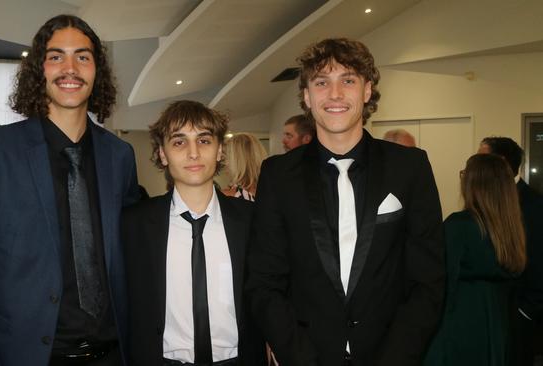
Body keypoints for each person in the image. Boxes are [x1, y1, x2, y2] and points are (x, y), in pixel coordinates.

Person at [0, 14, 139, 366]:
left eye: (83, 56)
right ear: (39, 71)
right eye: (56, 56)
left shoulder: (120, 156)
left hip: (114, 355)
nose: (70, 68)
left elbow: (133, 250)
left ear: (97, 71)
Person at [247, 38, 445, 366]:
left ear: (367, 91)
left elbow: (429, 282)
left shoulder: (410, 167)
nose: (335, 94)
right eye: (322, 82)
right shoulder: (278, 175)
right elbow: (264, 281)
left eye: (348, 80)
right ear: (307, 96)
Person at [123, 100, 265, 366]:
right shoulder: (134, 225)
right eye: (179, 142)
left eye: (203, 141)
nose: (193, 153)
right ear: (163, 154)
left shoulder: (252, 220)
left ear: (220, 150)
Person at [424, 153, 527, 365]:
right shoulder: (511, 231)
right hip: (497, 326)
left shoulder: (459, 226)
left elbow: (441, 286)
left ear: (474, 184)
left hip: (459, 325)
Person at [478, 136, 543, 365]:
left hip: (518, 320)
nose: (476, 166)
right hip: (491, 318)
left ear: (501, 164)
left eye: (481, 159)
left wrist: (524, 313)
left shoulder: (534, 206)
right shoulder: (485, 203)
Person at [221, 133, 267, 201]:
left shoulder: (227, 196)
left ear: (237, 161)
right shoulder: (275, 190)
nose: (224, 163)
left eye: (226, 157)